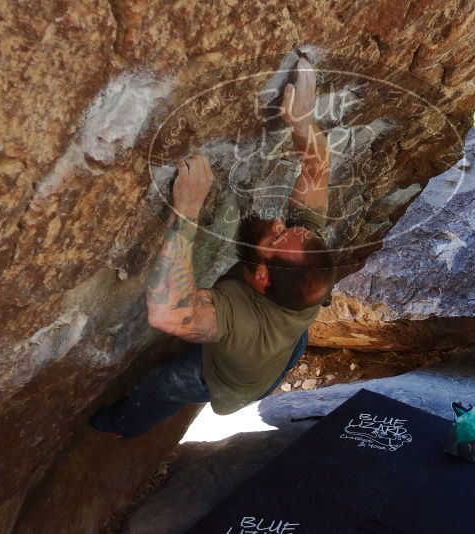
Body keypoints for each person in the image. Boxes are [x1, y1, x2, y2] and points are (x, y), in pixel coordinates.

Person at [90, 57, 335, 438]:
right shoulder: (303, 270)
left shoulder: (242, 320)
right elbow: (317, 170)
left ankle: (118, 425)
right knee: (289, 344)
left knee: (162, 383)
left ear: (262, 276)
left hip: (237, 380)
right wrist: (301, 120)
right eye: (288, 229)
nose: (277, 224)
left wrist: (186, 208)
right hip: (288, 347)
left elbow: (169, 315)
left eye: (274, 238)